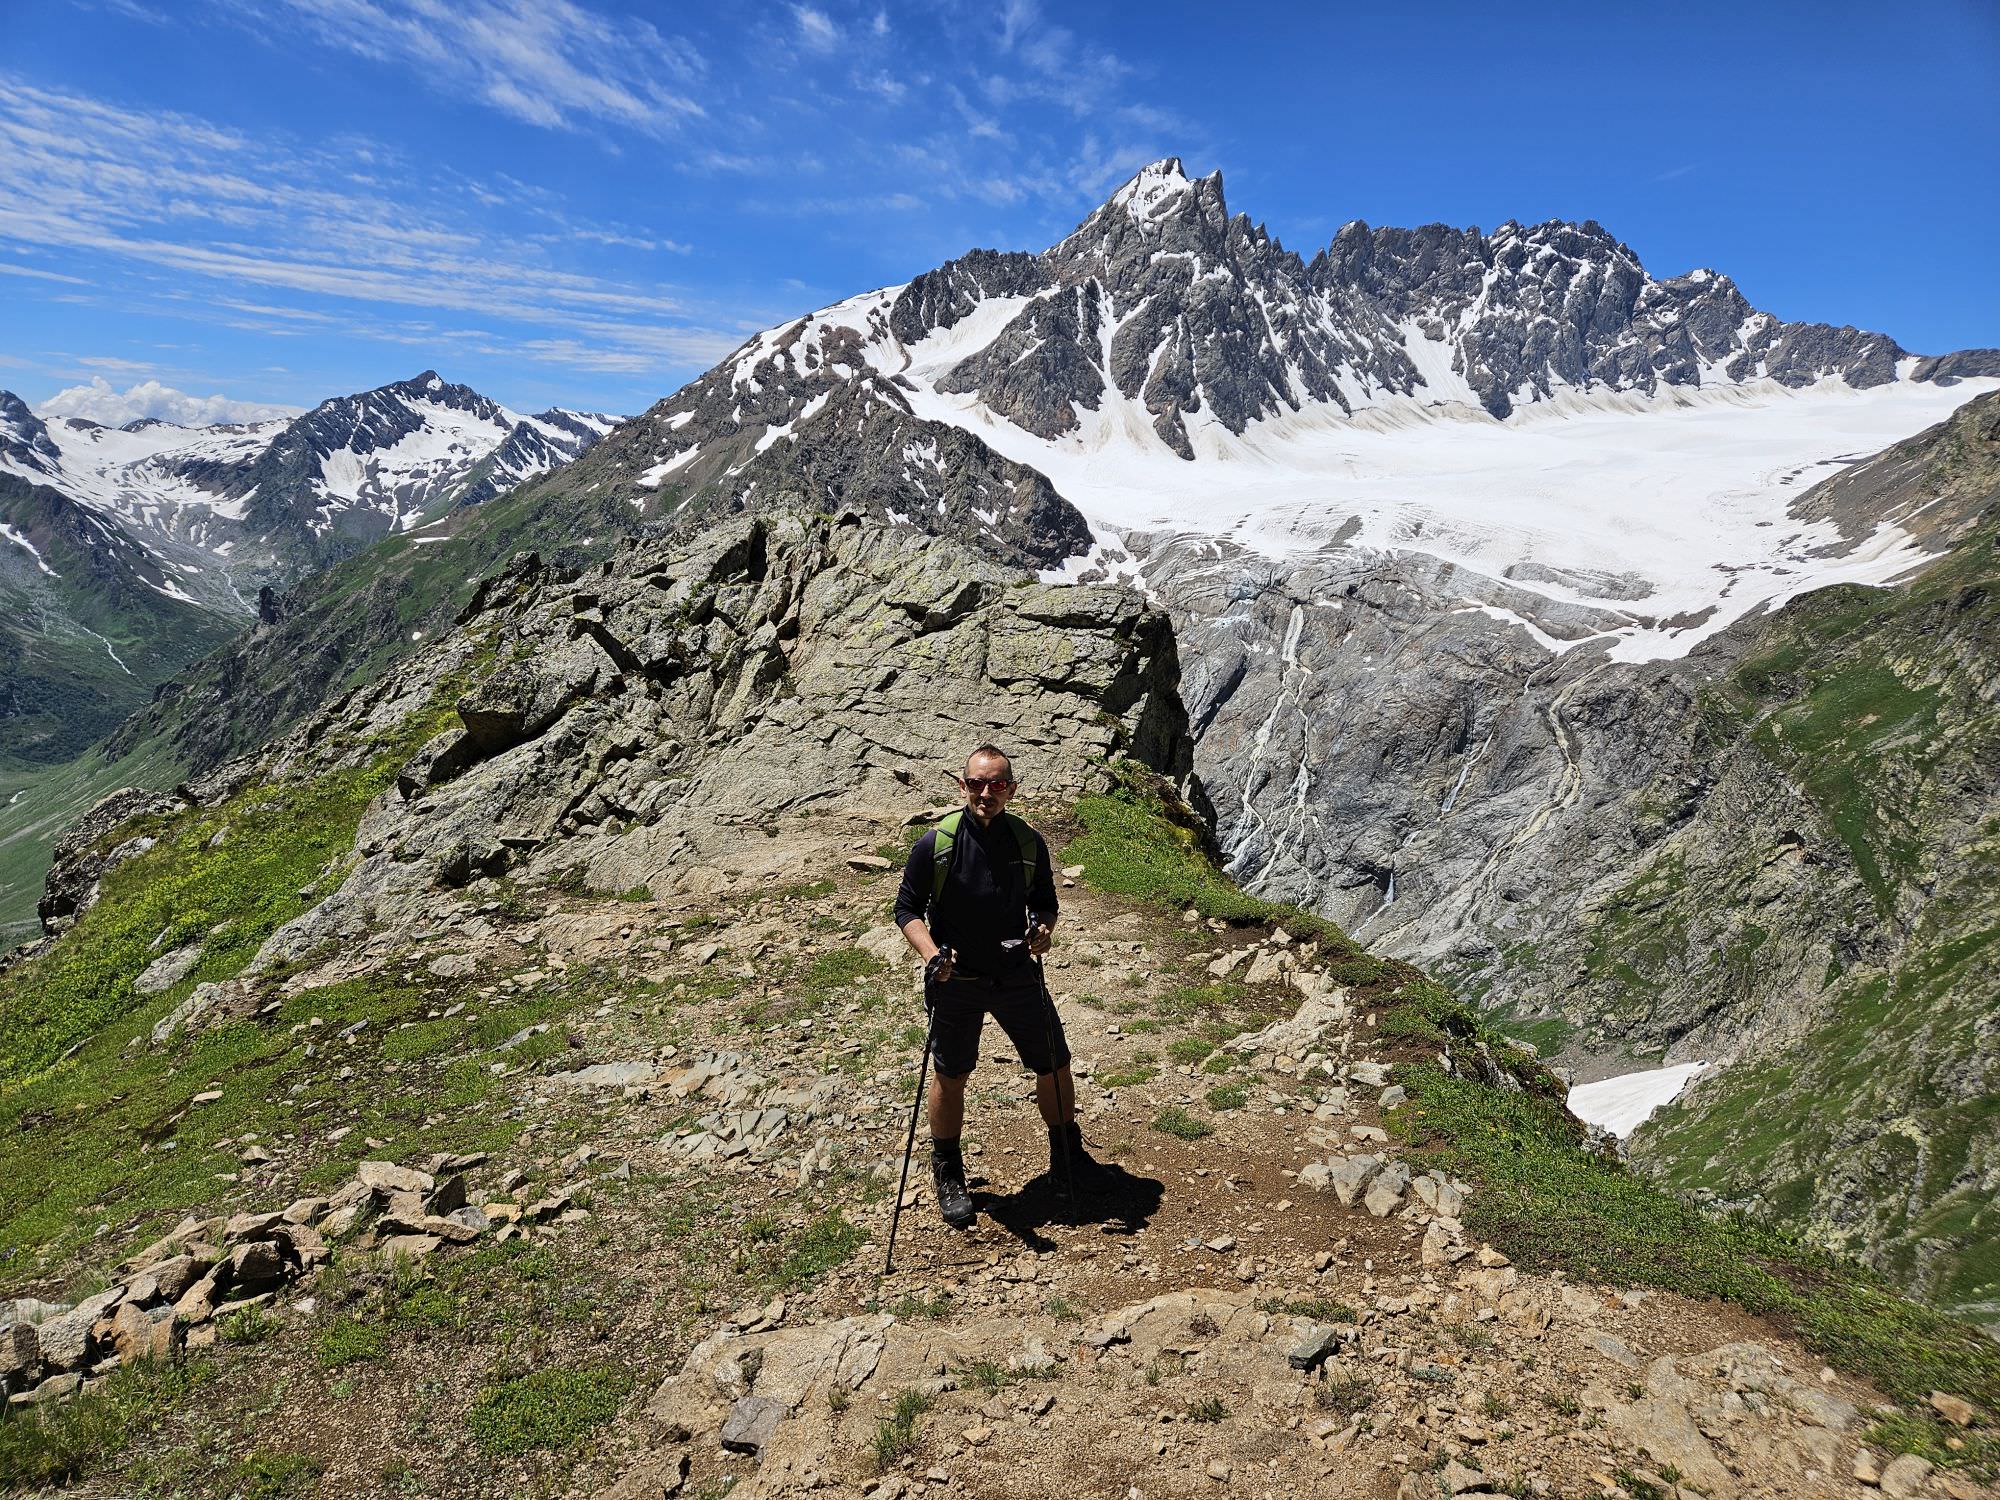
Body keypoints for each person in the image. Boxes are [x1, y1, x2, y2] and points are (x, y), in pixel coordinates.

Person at [894, 744, 1105, 1227]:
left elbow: (1045, 902)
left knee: (1054, 1064)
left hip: (1016, 974)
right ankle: (948, 1173)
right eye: (976, 783)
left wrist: (1044, 931)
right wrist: (931, 956)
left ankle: (1067, 1157)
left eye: (996, 784)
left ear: (1011, 788)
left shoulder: (1028, 843)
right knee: (951, 1073)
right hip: (956, 977)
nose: (985, 792)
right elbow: (907, 909)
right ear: (962, 785)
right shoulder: (936, 844)